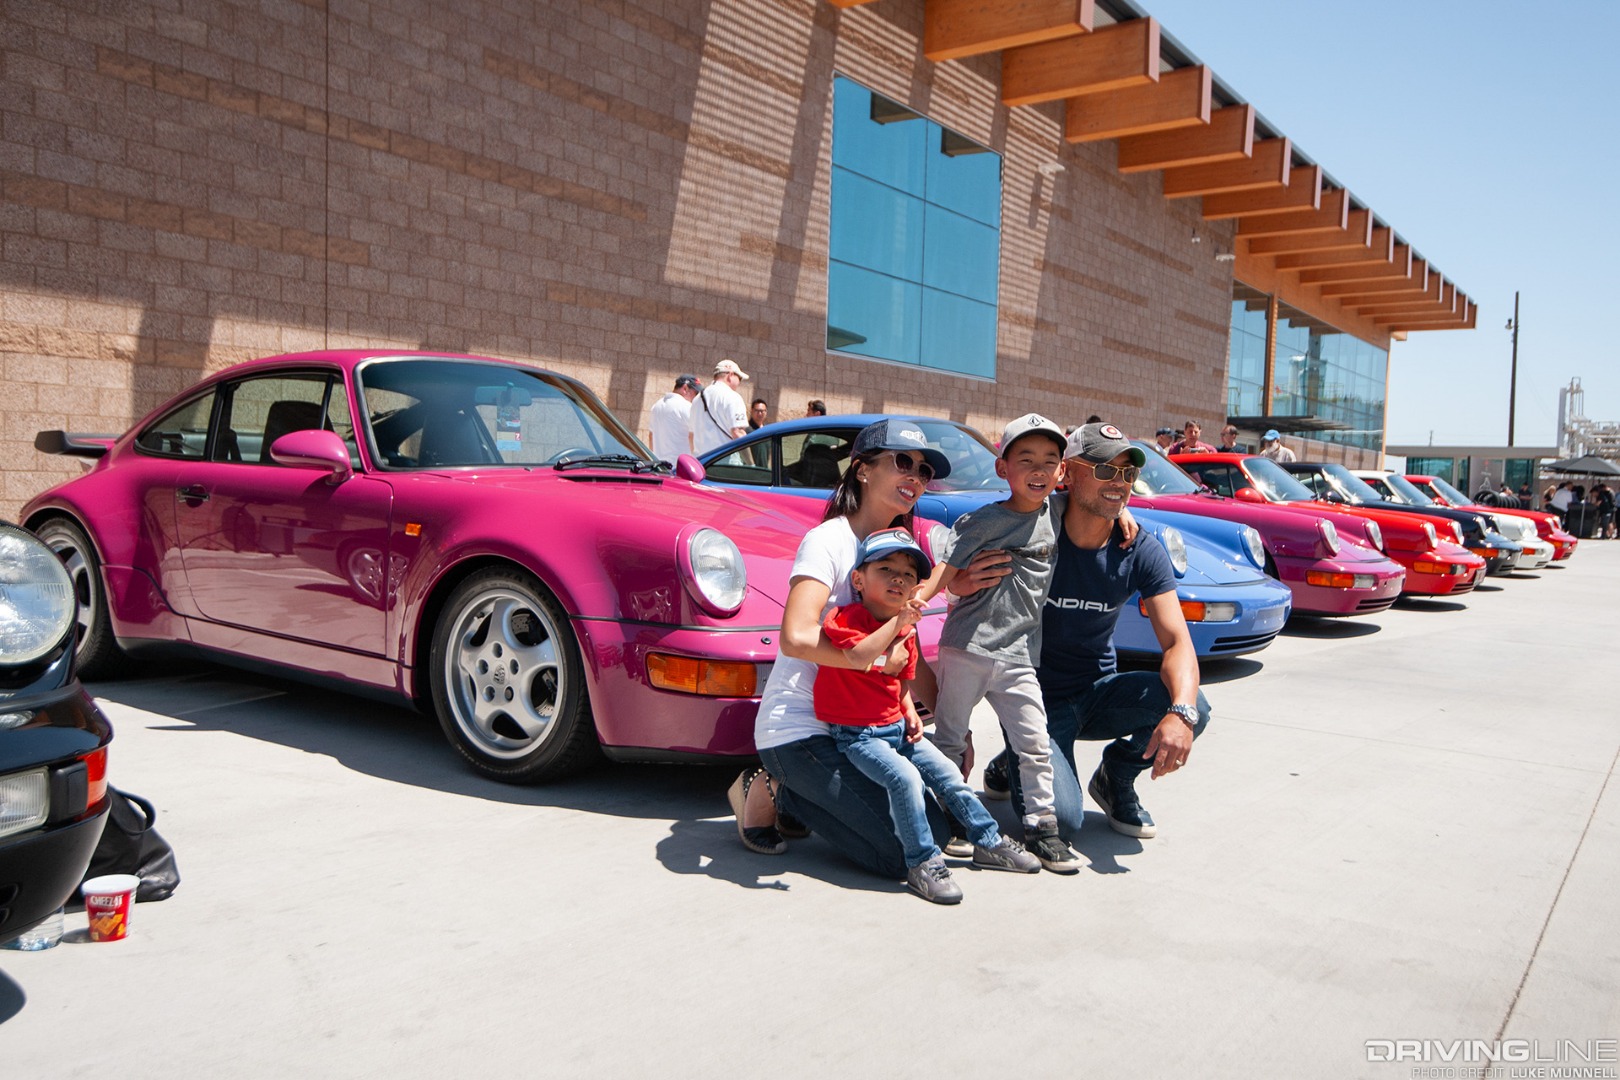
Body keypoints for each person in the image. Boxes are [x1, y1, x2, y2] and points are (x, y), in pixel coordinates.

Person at [727, 419, 997, 879]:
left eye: (924, 469)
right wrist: (867, 658)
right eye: (901, 462)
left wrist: (953, 730)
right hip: (802, 729)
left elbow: (905, 645)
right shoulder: (828, 541)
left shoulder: (902, 552)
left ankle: (808, 799)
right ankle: (776, 787)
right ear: (862, 471)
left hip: (865, 729)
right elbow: (795, 635)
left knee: (930, 829)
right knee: (899, 855)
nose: (915, 475)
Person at [980, 423, 1210, 842]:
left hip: (1098, 690)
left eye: (1127, 474)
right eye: (1104, 470)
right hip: (1035, 699)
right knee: (1064, 823)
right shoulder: (1028, 526)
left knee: (1193, 705)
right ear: (1066, 473)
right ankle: (1013, 753)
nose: (1118, 483)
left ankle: (1115, 777)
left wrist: (1181, 713)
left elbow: (1177, 642)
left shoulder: (1140, 548)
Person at [817, 528, 1040, 903]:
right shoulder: (847, 618)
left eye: (907, 575)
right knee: (905, 780)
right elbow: (861, 656)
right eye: (885, 568)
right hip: (856, 735)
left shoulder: (905, 628)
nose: (897, 578)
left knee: (949, 776)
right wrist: (900, 622)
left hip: (895, 728)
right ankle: (922, 862)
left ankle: (987, 840)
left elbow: (902, 676)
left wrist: (907, 710)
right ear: (859, 579)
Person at [920, 413, 1080, 874]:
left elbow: (1094, 505)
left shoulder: (1058, 510)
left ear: (1061, 472)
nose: (1038, 470)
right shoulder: (984, 520)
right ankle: (951, 816)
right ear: (1002, 468)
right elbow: (945, 570)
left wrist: (1123, 511)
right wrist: (922, 598)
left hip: (1018, 656)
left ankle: (1042, 828)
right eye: (1025, 459)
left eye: (1050, 461)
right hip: (967, 647)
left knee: (1033, 741)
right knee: (950, 738)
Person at [689, 359, 750, 455]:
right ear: (730, 375)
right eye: (739, 379)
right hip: (724, 461)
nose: (739, 383)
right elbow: (738, 433)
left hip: (701, 462)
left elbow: (691, 436)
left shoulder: (697, 399)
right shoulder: (732, 396)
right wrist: (751, 464)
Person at [647, 374, 700, 461]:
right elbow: (694, 436)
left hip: (660, 468)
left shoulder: (656, 406)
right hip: (680, 468)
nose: (696, 397)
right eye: (696, 393)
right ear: (685, 388)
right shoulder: (686, 406)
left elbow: (651, 437)